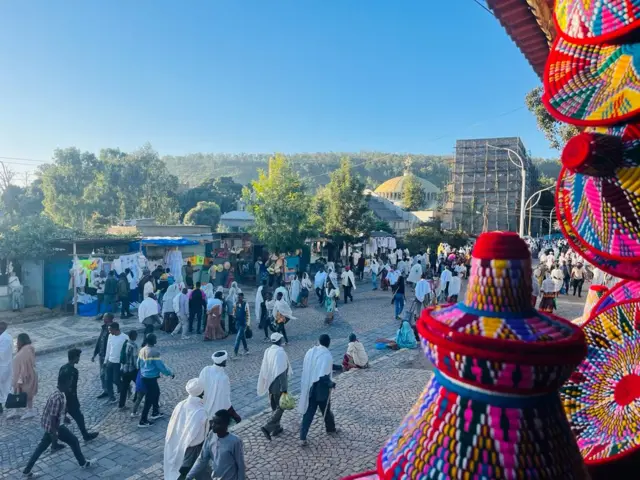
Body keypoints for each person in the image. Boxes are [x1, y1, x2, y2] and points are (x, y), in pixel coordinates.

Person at [21, 372, 94, 477]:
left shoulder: (59, 393)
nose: (70, 385)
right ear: (64, 383)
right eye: (69, 383)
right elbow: (53, 417)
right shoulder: (57, 397)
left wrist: (65, 417)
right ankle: (83, 463)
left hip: (51, 426)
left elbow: (58, 412)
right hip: (55, 427)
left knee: (41, 448)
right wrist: (55, 433)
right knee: (74, 441)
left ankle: (26, 471)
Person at [164, 378, 208, 480]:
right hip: (194, 447)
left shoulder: (181, 404)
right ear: (201, 393)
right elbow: (198, 434)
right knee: (190, 470)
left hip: (179, 443)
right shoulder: (200, 411)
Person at [185, 409, 246, 480]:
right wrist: (189, 476)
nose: (213, 425)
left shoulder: (235, 441)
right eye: (213, 422)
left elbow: (240, 465)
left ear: (225, 424)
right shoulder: (211, 435)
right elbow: (202, 459)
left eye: (217, 423)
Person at [299, 334, 337, 446]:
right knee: (326, 409)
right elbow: (323, 376)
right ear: (329, 343)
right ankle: (330, 429)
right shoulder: (326, 355)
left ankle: (302, 437)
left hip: (310, 387)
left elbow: (322, 367)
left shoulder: (312, 352)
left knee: (309, 413)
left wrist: (339, 367)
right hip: (320, 390)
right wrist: (331, 383)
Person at [58, 348, 99, 441]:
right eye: (78, 357)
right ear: (75, 358)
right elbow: (71, 388)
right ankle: (85, 435)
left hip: (61, 397)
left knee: (58, 421)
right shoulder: (74, 371)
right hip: (70, 399)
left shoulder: (62, 368)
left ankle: (54, 442)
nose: (79, 359)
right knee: (79, 417)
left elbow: (59, 385)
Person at [257, 332, 292, 440]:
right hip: (278, 385)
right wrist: (285, 389)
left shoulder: (268, 351)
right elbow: (282, 373)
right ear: (280, 341)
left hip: (270, 383)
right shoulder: (280, 353)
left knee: (274, 406)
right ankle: (268, 427)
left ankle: (276, 428)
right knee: (281, 406)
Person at [137, 333, 174, 427]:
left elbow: (138, 363)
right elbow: (160, 366)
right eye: (155, 338)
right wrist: (169, 373)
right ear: (153, 341)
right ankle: (143, 420)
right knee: (149, 399)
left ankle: (155, 412)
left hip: (144, 375)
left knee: (156, 393)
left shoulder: (142, 350)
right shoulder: (154, 352)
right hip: (151, 377)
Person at [198, 351, 241, 422]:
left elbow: (199, 386)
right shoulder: (224, 378)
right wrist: (233, 413)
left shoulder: (205, 370)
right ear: (223, 361)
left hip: (204, 409)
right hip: (217, 413)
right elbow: (226, 398)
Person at [8, 333, 38, 420]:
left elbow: (27, 365)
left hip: (25, 376)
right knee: (17, 392)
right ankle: (17, 410)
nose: (17, 343)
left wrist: (21, 378)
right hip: (20, 376)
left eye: (18, 341)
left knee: (27, 393)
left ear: (22, 341)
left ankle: (30, 411)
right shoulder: (24, 349)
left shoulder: (27, 350)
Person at [104, 322, 129, 403]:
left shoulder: (125, 337)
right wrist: (105, 360)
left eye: (110, 330)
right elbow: (108, 348)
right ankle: (112, 397)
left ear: (115, 329)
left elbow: (127, 352)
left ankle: (125, 389)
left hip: (118, 363)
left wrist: (124, 364)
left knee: (116, 380)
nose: (109, 332)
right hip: (110, 361)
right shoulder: (110, 336)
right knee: (108, 379)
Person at [92, 313, 114, 399]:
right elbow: (99, 341)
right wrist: (95, 353)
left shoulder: (112, 329)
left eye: (104, 317)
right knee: (102, 375)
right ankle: (106, 390)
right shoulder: (104, 328)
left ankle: (113, 390)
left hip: (107, 356)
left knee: (107, 375)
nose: (103, 319)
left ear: (108, 319)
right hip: (101, 355)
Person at [119, 330, 139, 409]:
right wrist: (138, 368)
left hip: (124, 369)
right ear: (134, 336)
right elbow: (135, 359)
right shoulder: (134, 346)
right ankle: (136, 399)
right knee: (139, 384)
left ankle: (121, 405)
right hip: (132, 370)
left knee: (124, 387)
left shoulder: (125, 344)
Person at [232, 293, 251, 357]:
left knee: (238, 338)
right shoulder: (235, 304)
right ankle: (246, 349)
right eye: (238, 297)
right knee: (242, 337)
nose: (239, 298)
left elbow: (248, 315)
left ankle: (235, 353)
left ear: (242, 297)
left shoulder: (246, 304)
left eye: (240, 297)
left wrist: (248, 324)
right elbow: (234, 312)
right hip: (237, 323)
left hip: (243, 324)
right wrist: (234, 317)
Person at [0, 322, 12, 415]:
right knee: (5, 386)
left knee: (4, 387)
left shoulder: (4, 338)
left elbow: (2, 353)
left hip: (3, 365)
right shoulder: (8, 337)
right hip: (7, 365)